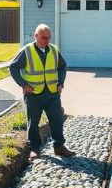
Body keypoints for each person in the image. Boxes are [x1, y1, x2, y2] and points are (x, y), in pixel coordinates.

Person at [8, 24, 76, 160]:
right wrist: (23, 84)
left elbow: (62, 66)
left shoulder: (54, 50)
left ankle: (59, 147)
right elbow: (13, 67)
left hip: (52, 94)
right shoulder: (26, 51)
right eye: (43, 38)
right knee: (33, 123)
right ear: (36, 36)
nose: (46, 41)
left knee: (57, 120)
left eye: (48, 38)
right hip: (33, 95)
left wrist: (61, 83)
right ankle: (34, 149)